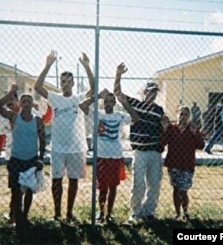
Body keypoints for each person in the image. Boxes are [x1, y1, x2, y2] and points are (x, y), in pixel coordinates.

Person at [34, 50, 95, 224]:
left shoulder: (78, 98)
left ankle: (69, 213)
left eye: (69, 81)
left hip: (77, 148)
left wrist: (87, 66)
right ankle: (57, 214)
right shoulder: (55, 98)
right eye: (63, 81)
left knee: (73, 181)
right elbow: (38, 87)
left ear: (74, 83)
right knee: (57, 181)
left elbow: (94, 88)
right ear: (60, 83)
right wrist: (47, 65)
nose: (65, 84)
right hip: (58, 148)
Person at [80, 63, 139, 224]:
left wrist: (124, 102)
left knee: (113, 187)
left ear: (114, 103)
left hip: (115, 156)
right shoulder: (97, 114)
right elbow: (83, 105)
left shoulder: (119, 116)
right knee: (102, 187)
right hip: (101, 156)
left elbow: (135, 118)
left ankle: (109, 213)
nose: (108, 103)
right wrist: (98, 96)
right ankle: (101, 211)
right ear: (103, 102)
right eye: (106, 100)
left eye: (111, 101)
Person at [114, 68, 165, 224]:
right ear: (144, 92)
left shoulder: (159, 110)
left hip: (155, 152)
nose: (153, 94)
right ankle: (135, 212)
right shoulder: (135, 104)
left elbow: (162, 129)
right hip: (140, 152)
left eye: (155, 92)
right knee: (138, 184)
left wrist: (165, 126)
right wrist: (118, 75)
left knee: (154, 183)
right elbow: (118, 93)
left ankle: (149, 212)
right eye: (150, 92)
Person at [0, 84, 45, 234]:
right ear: (19, 104)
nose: (26, 104)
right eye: (23, 101)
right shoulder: (14, 117)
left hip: (31, 160)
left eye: (29, 101)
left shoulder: (38, 121)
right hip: (15, 159)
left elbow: (43, 141)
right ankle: (17, 219)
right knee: (16, 191)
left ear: (33, 104)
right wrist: (12, 92)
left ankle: (25, 217)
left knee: (29, 189)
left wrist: (40, 158)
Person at [160, 106, 205, 221]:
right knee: (176, 189)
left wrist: (195, 134)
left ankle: (185, 212)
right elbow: (162, 143)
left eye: (185, 114)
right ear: (176, 115)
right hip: (173, 164)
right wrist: (165, 130)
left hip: (187, 165)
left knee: (183, 190)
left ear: (189, 117)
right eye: (181, 114)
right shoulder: (172, 128)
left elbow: (201, 145)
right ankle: (177, 213)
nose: (183, 117)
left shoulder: (191, 129)